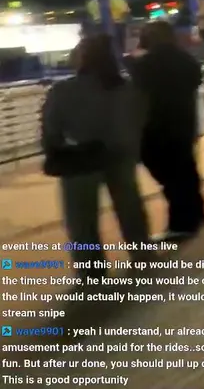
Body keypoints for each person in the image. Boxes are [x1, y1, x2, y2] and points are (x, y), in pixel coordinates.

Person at [41, 34, 151, 276]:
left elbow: (51, 128)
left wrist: (53, 151)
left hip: (81, 159)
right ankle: (142, 253)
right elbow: (140, 119)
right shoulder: (127, 88)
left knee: (82, 219)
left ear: (82, 57)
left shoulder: (63, 90)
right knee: (130, 208)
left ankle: (92, 270)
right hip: (121, 155)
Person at [127, 21, 204, 242]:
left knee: (170, 176)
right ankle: (197, 213)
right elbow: (196, 81)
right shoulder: (186, 59)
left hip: (157, 126)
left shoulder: (145, 64)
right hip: (184, 122)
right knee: (185, 169)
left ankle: (182, 223)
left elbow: (137, 89)